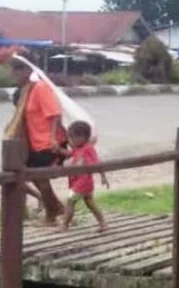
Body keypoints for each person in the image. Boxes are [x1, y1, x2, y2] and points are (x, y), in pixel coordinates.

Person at [5, 56, 68, 225]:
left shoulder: (40, 87)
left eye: (18, 69)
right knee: (32, 175)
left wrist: (54, 138)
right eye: (13, 69)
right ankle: (54, 208)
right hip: (35, 142)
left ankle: (52, 212)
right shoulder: (25, 91)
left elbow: (54, 113)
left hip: (50, 141)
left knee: (39, 176)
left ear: (28, 70)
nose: (14, 73)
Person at [61, 121, 109, 233]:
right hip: (81, 181)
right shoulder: (78, 148)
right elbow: (70, 154)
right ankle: (103, 223)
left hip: (83, 182)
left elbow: (97, 163)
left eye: (72, 138)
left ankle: (64, 226)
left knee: (70, 201)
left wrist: (103, 176)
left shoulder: (88, 149)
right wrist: (59, 150)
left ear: (82, 137)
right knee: (90, 203)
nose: (70, 141)